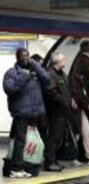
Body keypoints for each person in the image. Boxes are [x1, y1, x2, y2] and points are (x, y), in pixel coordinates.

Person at [3, 48, 51, 178]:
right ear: (17, 58)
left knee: (39, 140)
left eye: (28, 56)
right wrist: (26, 76)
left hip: (36, 114)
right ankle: (16, 168)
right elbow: (9, 88)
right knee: (20, 141)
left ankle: (35, 163)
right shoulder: (12, 73)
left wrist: (35, 65)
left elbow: (48, 79)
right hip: (22, 113)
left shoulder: (35, 72)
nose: (26, 58)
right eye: (23, 56)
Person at [43, 53, 76, 171]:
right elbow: (51, 92)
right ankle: (49, 162)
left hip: (63, 111)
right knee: (53, 137)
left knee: (59, 137)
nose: (65, 61)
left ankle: (54, 159)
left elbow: (67, 89)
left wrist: (70, 100)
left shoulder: (62, 74)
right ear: (58, 62)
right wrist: (63, 102)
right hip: (55, 110)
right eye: (64, 60)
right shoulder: (50, 74)